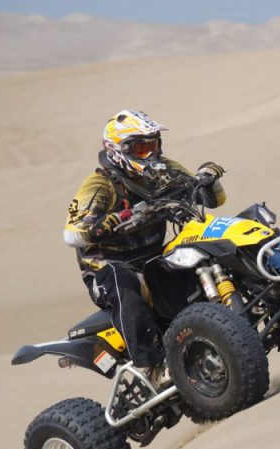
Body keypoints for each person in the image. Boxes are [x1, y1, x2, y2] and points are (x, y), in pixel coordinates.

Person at [63, 109, 227, 372]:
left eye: (153, 145)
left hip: (154, 257)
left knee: (197, 255)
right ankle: (147, 365)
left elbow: (214, 201)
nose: (150, 154)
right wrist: (106, 223)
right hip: (107, 268)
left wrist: (207, 180)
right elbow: (71, 233)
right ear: (115, 149)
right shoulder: (99, 185)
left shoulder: (164, 170)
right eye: (140, 148)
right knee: (125, 280)